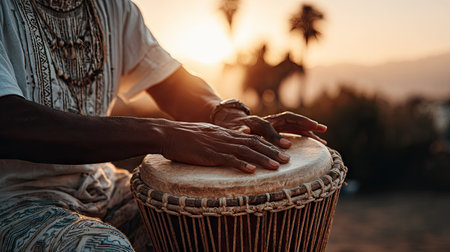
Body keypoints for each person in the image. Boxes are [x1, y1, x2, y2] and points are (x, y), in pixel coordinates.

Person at [0, 0, 327, 251]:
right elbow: (8, 120)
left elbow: (169, 80)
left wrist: (222, 113)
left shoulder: (113, 7)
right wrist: (162, 134)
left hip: (102, 186)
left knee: (214, 230)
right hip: (13, 201)